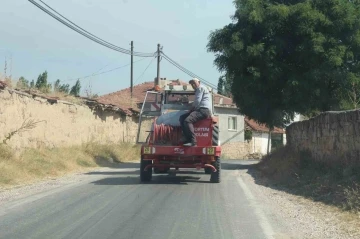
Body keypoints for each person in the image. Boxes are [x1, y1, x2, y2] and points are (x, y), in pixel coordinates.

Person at [179, 78, 212, 146]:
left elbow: (197, 101)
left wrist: (191, 109)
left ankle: (193, 142)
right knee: (182, 118)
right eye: (191, 84)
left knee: (188, 120)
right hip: (201, 110)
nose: (193, 85)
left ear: (199, 82)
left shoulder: (200, 88)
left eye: (194, 83)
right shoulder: (200, 89)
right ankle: (186, 137)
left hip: (203, 110)